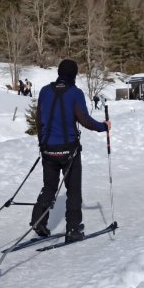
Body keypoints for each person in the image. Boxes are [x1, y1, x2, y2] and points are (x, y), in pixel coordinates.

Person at [31, 59, 110, 243]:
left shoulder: (44, 91)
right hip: (69, 151)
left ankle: (39, 221)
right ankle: (73, 229)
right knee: (73, 190)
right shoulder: (75, 93)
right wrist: (103, 127)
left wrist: (42, 143)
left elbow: (39, 120)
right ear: (74, 75)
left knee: (49, 186)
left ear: (59, 72)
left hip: (48, 149)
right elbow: (84, 119)